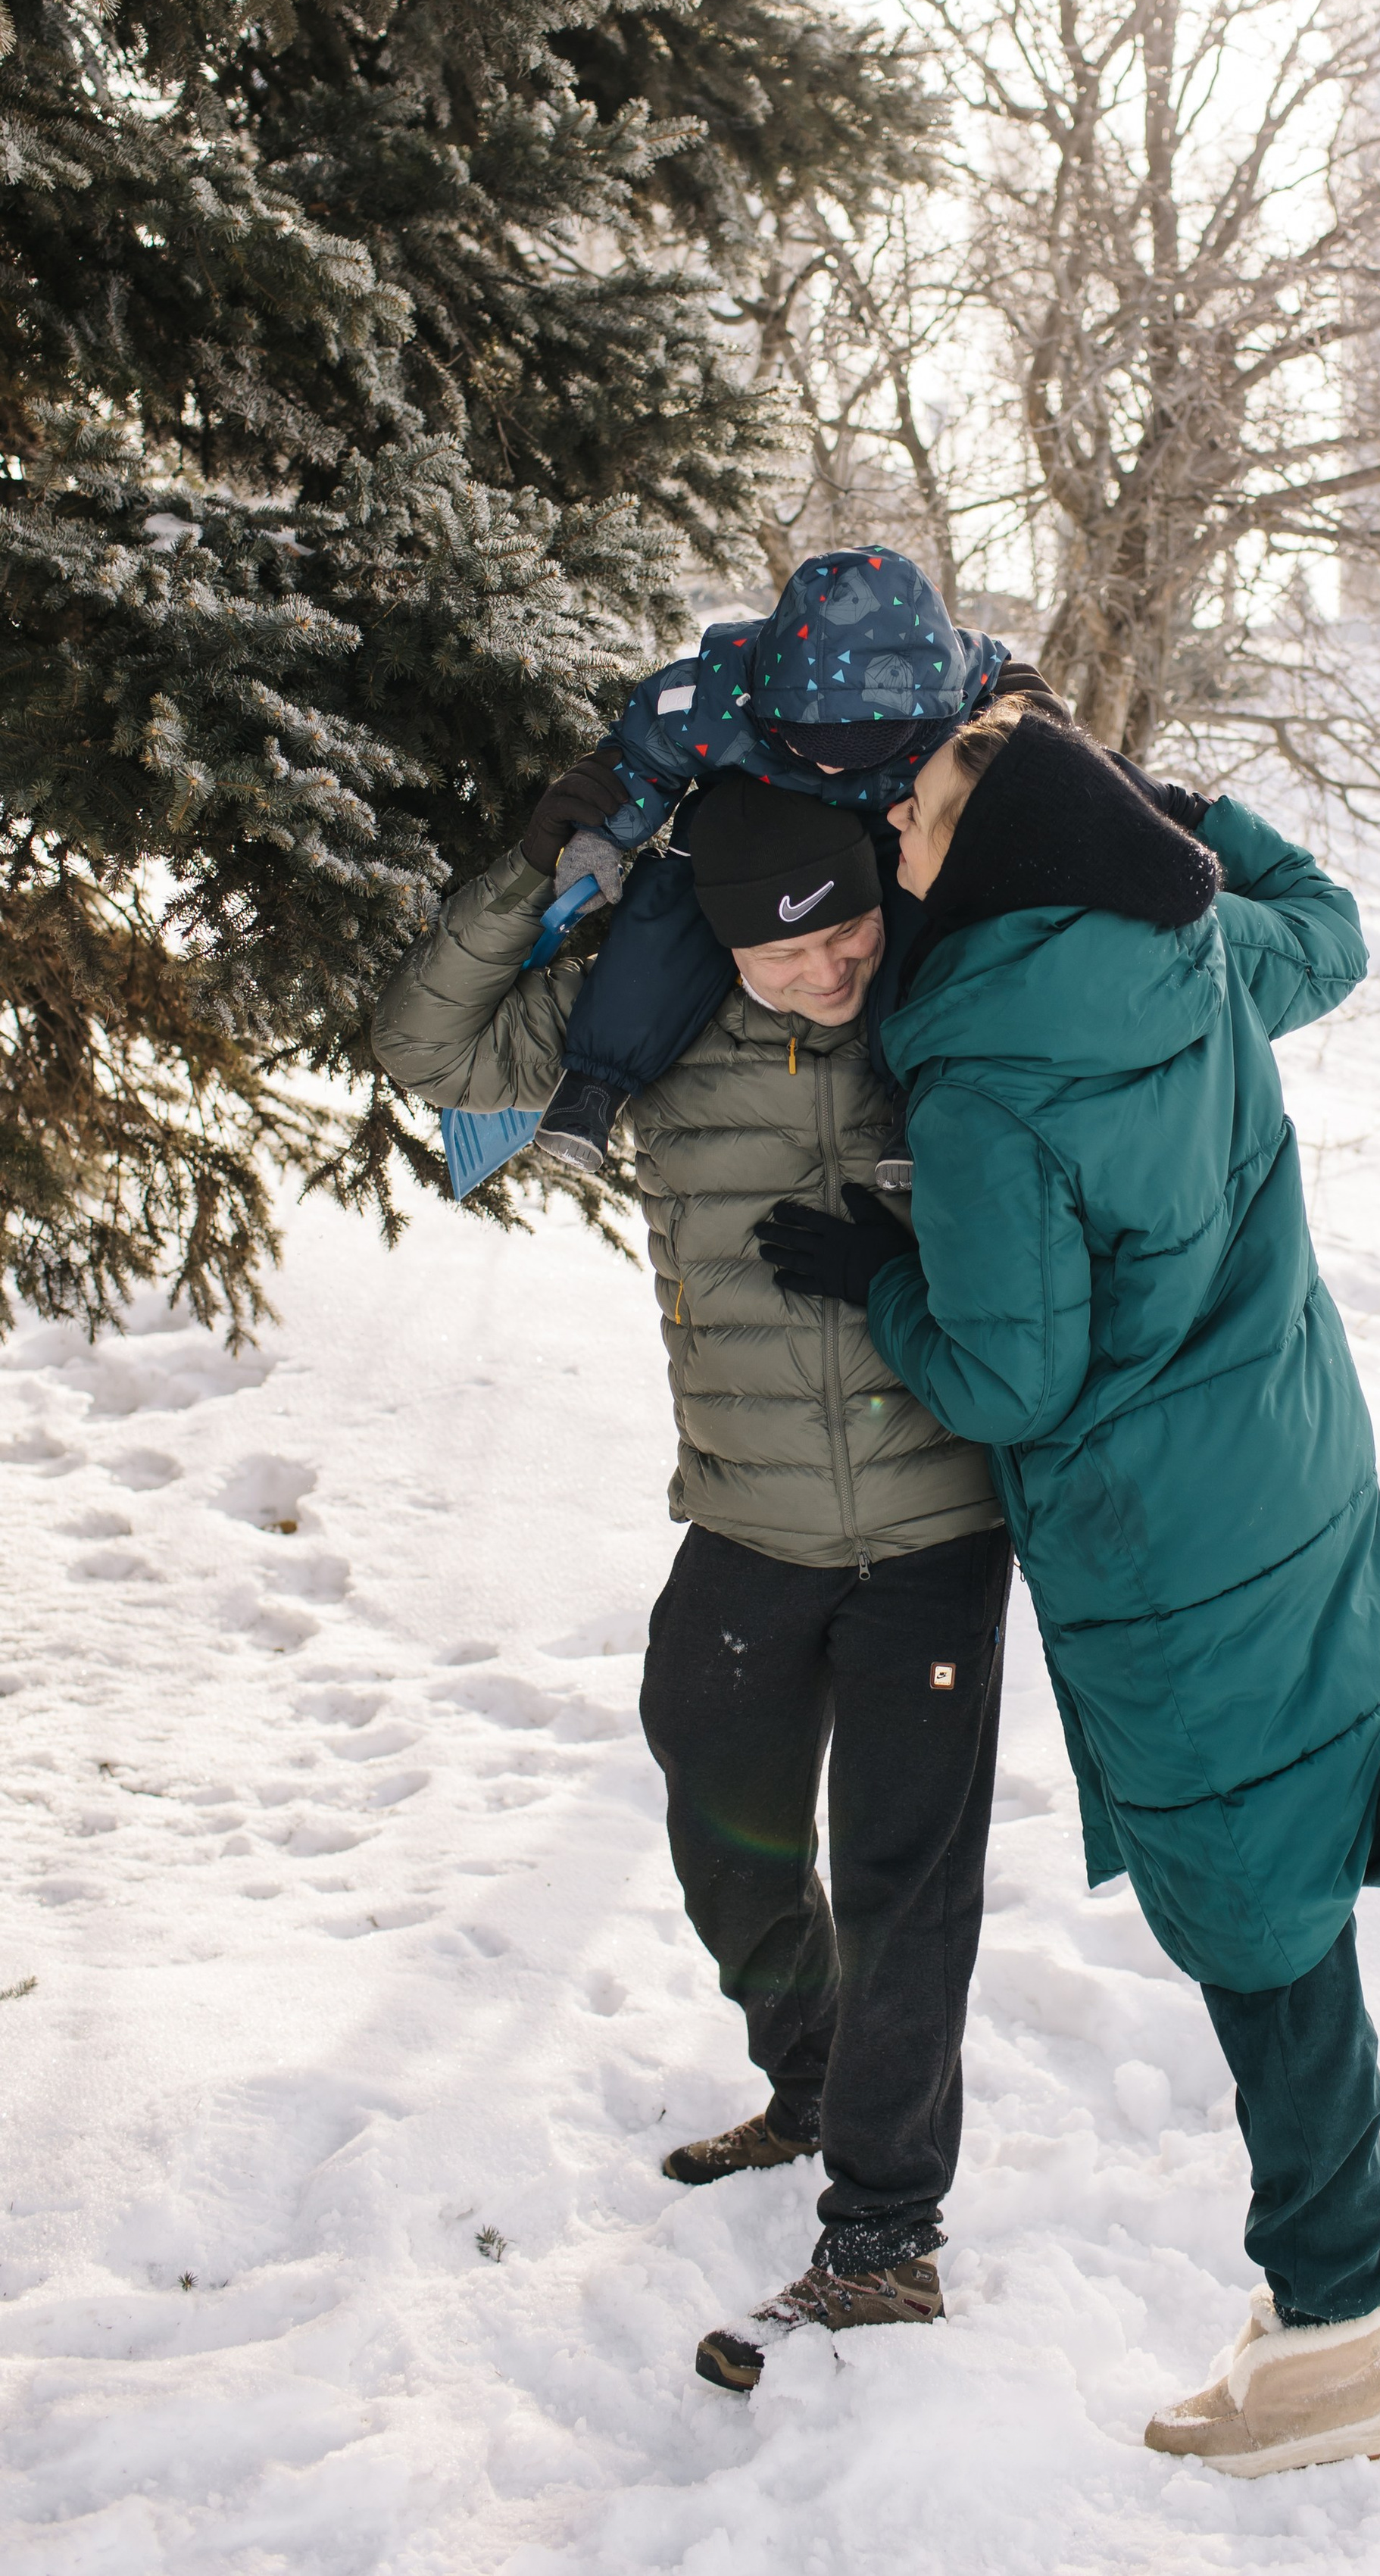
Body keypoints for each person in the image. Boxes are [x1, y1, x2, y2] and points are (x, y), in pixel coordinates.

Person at [755, 699, 1380, 2477]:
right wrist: (1198, 822)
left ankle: (1329, 2346)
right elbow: (1329, 936)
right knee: (1321, 1800)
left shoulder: (975, 1073)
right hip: (1298, 1470)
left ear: (995, 853)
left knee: (1268, 1946)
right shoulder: (1184, 949)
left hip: (1160, 1557)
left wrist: (872, 1280)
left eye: (929, 800)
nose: (896, 818)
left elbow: (1007, 1380)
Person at [370, 773, 1013, 2394]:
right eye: (789, 950)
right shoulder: (638, 1021)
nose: (833, 967)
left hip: (937, 1529)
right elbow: (427, 1050)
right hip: (744, 1521)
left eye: (854, 922)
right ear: (718, 940)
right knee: (719, 1821)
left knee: (901, 1883)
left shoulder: (935, 991)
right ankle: (809, 2079)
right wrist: (528, 865)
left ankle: (882, 2238)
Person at [524, 547, 1057, 1173]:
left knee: (926, 924)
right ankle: (596, 1080)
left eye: (862, 747)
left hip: (889, 835)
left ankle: (924, 1099)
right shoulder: (718, 694)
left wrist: (1037, 753)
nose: (832, 765)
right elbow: (645, 752)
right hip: (752, 834)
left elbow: (1036, 738)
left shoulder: (969, 693)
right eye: (811, 743)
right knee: (670, 903)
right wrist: (604, 833)